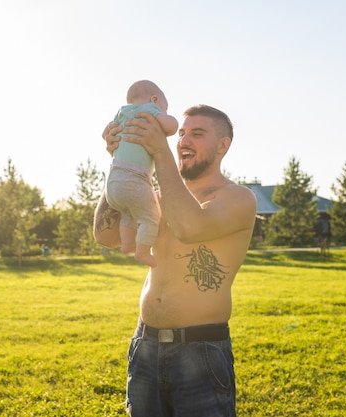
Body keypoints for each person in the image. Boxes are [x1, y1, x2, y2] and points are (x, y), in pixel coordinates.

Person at [94, 104, 257, 416]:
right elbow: (108, 236)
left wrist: (159, 150)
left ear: (223, 146)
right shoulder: (157, 196)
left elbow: (188, 226)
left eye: (197, 134)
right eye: (181, 133)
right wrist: (122, 163)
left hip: (200, 352)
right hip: (146, 345)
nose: (183, 140)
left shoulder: (237, 198)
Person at [105, 80, 179, 268]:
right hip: (135, 178)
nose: (164, 112)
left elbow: (107, 132)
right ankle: (142, 251)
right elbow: (171, 127)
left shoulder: (121, 113)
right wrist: (167, 118)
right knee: (150, 217)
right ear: (154, 100)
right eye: (165, 107)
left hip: (113, 181)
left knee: (127, 212)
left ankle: (127, 244)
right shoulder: (149, 110)